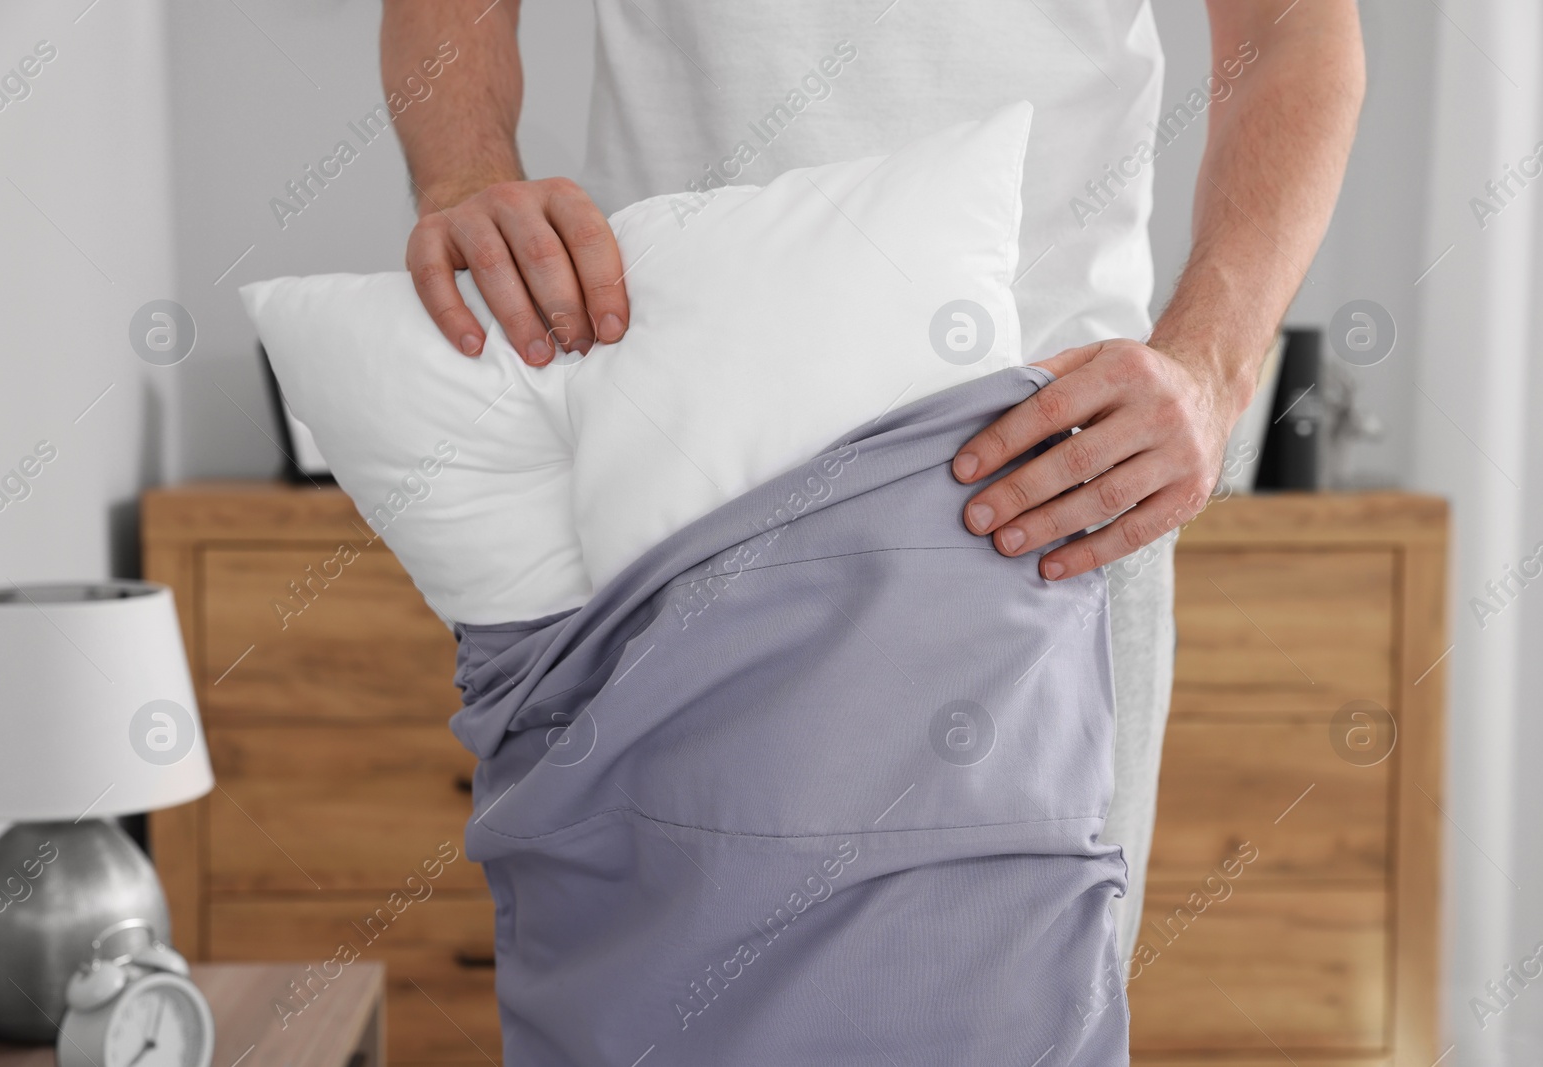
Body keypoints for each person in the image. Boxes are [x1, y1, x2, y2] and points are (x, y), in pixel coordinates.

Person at [381, 0, 1363, 968]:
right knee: (653, 1002)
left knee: (1016, 1015)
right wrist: (465, 176)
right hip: (677, 459)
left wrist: (1212, 368)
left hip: (1055, 472)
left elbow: (1295, 24)